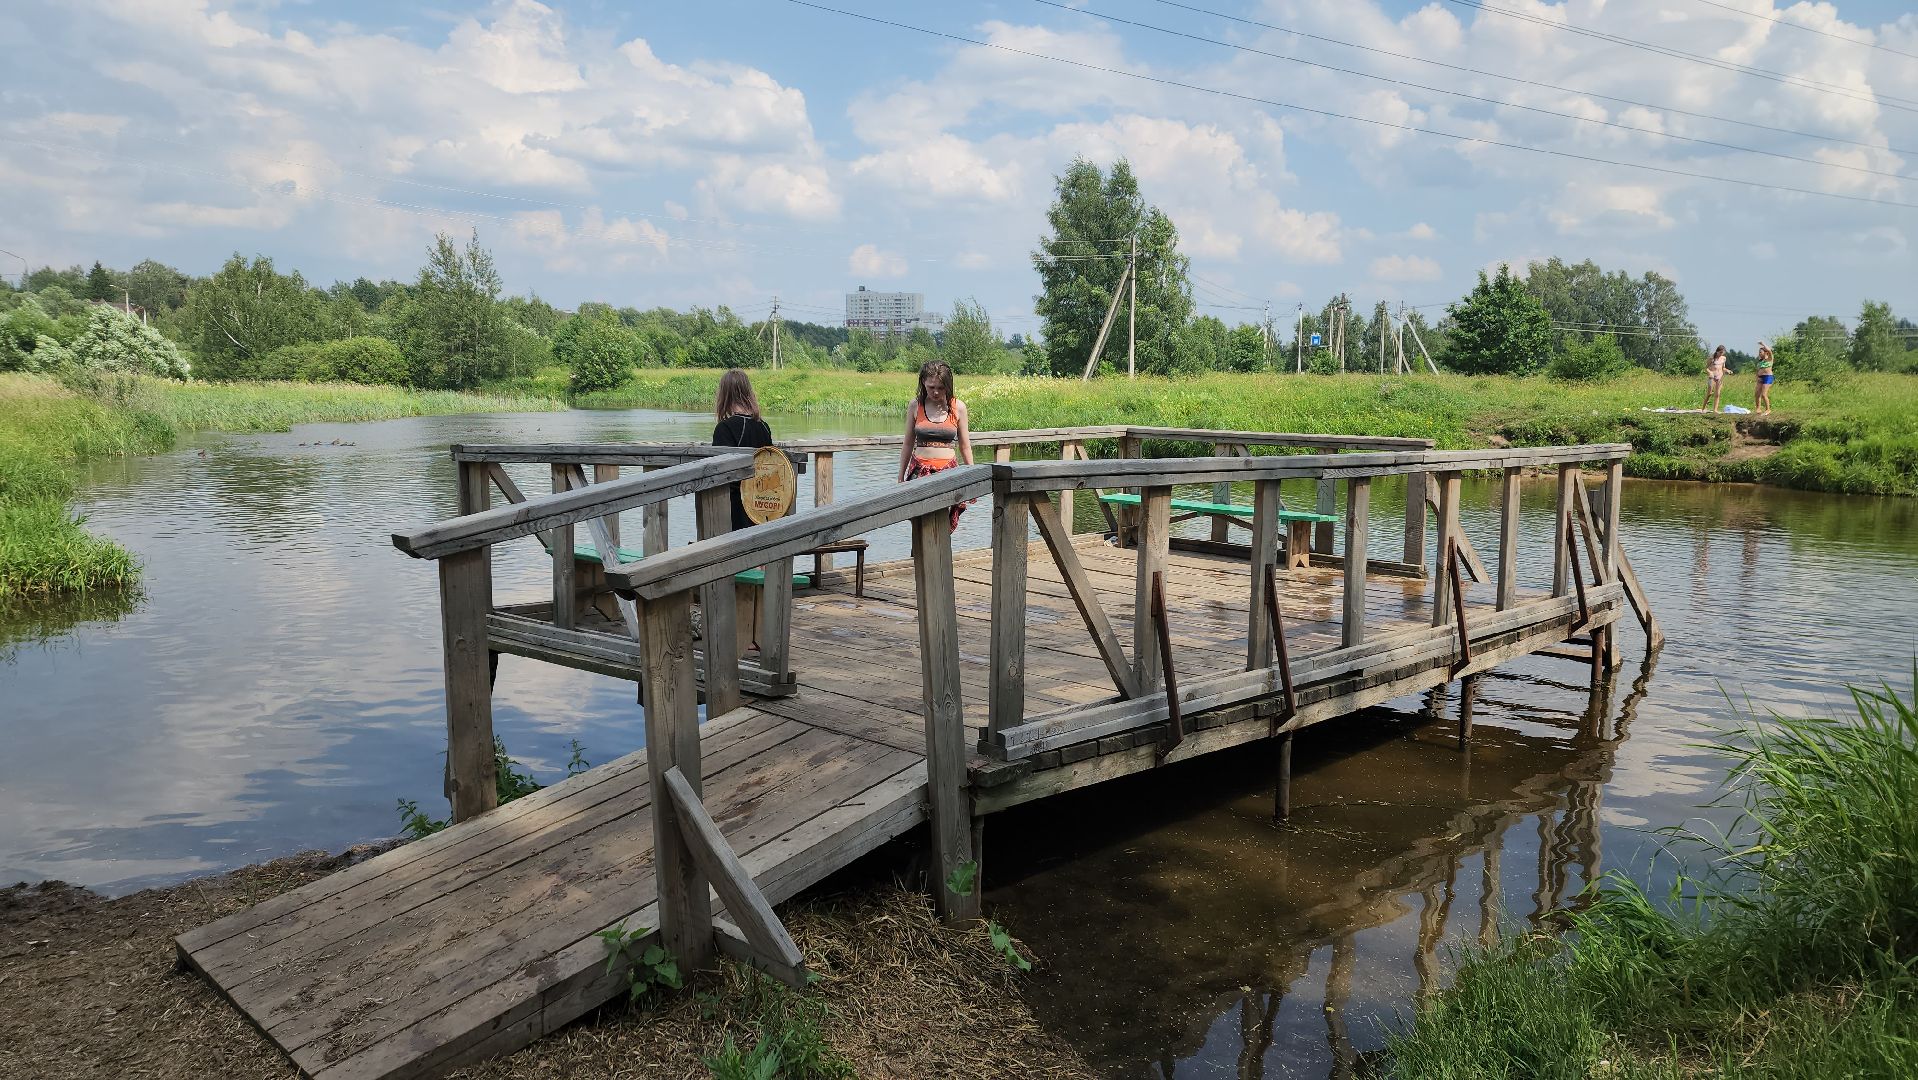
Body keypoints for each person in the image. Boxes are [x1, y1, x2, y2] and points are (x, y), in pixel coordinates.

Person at [897, 359, 974, 531]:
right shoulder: (915, 405)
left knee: (942, 525)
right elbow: (908, 443)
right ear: (923, 382)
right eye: (931, 387)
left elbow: (965, 446)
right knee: (920, 524)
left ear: (948, 385)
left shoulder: (958, 407)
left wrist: (972, 476)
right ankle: (918, 556)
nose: (936, 392)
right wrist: (900, 476)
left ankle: (941, 558)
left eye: (941, 387)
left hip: (949, 473)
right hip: (919, 472)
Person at [712, 368, 772, 532]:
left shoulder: (725, 428)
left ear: (724, 395)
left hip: (734, 511)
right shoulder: (764, 427)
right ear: (748, 392)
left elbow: (717, 472)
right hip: (762, 506)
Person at [1704, 346, 1730, 412]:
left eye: (1723, 352)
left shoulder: (1724, 358)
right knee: (1709, 393)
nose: (1721, 354)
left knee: (1717, 394)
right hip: (1712, 377)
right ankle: (1703, 408)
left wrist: (1727, 370)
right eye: (1720, 352)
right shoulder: (1712, 358)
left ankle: (1715, 409)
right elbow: (1706, 368)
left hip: (1719, 377)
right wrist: (1710, 372)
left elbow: (1723, 368)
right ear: (1717, 351)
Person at [1754, 341, 1775, 415]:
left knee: (1764, 394)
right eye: (1759, 352)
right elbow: (1757, 371)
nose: (1759, 353)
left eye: (1761, 352)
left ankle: (1768, 409)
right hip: (1760, 378)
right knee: (1757, 394)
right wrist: (1757, 378)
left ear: (1766, 353)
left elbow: (1769, 350)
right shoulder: (1760, 361)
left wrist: (1763, 344)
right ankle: (1758, 409)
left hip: (1768, 377)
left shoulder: (1769, 359)